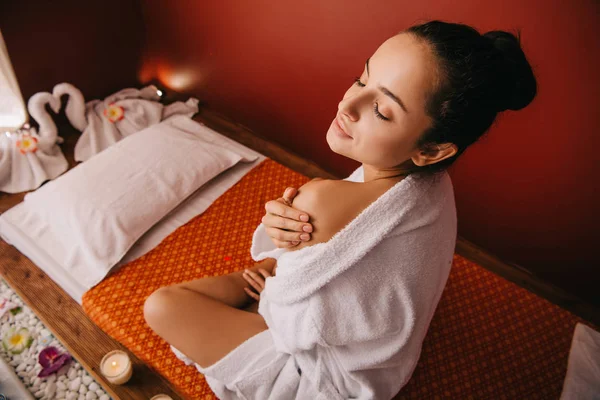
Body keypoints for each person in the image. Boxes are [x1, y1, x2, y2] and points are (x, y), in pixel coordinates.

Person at [144, 19, 537, 399]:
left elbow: (293, 320)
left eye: (383, 110)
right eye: (361, 79)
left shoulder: (320, 200)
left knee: (162, 306)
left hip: (325, 384)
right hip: (385, 370)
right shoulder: (435, 185)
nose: (349, 105)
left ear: (432, 149)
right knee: (263, 274)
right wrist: (292, 257)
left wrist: (278, 289)